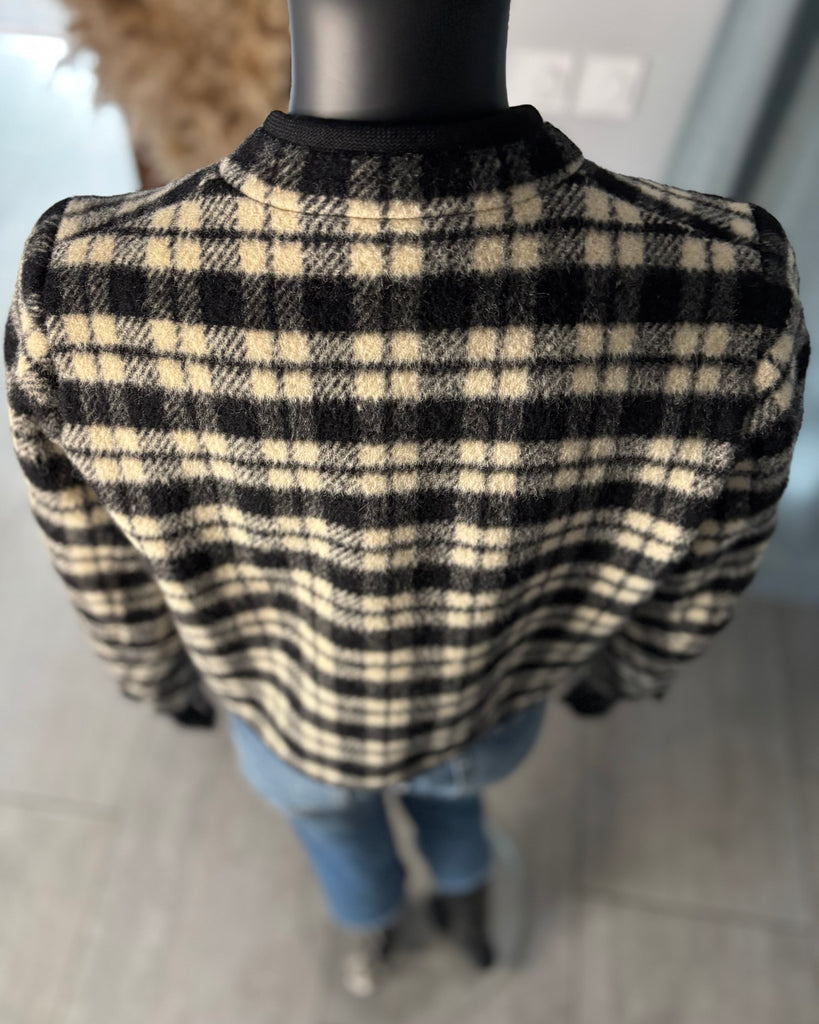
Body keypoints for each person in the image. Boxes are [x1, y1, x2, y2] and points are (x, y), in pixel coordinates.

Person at [4, 0, 809, 1004]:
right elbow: (712, 562)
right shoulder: (726, 283)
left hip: (282, 710)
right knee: (458, 807)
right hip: (488, 701)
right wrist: (622, 675)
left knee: (333, 830)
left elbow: (92, 556)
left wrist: (157, 679)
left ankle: (371, 930)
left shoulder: (81, 283)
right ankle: (465, 906)